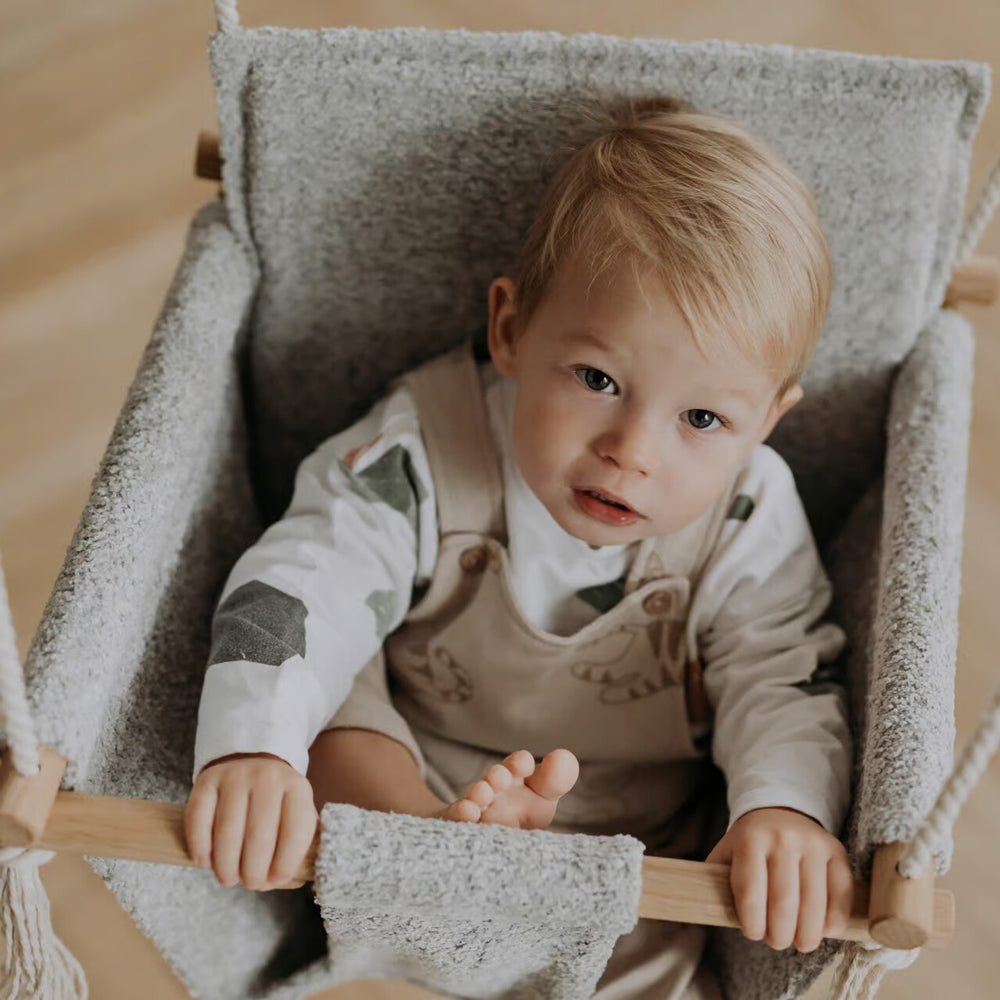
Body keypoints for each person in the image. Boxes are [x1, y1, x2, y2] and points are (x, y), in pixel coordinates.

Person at [185, 95, 854, 998]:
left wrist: (784, 811)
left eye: (702, 417)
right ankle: (440, 887)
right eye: (598, 378)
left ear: (766, 423)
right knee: (337, 704)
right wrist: (254, 747)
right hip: (408, 804)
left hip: (631, 854)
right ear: (510, 329)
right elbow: (299, 584)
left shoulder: (748, 514)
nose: (633, 451)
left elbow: (785, 675)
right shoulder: (422, 450)